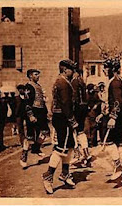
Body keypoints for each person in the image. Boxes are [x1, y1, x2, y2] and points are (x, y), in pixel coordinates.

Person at [42, 59, 79, 194]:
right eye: (71, 70)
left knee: (69, 146)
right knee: (61, 148)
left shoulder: (61, 81)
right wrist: (72, 120)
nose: (73, 72)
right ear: (65, 70)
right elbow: (65, 103)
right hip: (63, 118)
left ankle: (65, 173)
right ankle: (48, 175)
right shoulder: (63, 83)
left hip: (62, 117)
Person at [103, 58, 122, 185]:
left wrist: (113, 117)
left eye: (106, 68)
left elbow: (117, 101)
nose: (104, 70)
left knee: (109, 142)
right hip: (121, 114)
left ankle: (119, 166)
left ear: (112, 69)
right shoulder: (117, 80)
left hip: (117, 115)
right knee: (120, 142)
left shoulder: (114, 82)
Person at [20, 69, 50, 168]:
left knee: (45, 132)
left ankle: (36, 148)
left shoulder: (39, 86)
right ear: (30, 76)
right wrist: (30, 115)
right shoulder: (28, 87)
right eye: (36, 74)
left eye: (38, 74)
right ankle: (24, 155)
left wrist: (46, 113)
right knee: (30, 137)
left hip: (41, 113)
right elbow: (27, 102)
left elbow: (42, 101)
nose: (38, 76)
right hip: (33, 112)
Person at [71, 69, 92, 166]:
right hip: (83, 108)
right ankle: (86, 153)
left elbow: (74, 97)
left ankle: (77, 154)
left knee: (73, 132)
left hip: (77, 109)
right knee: (80, 132)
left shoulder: (74, 82)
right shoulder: (82, 82)